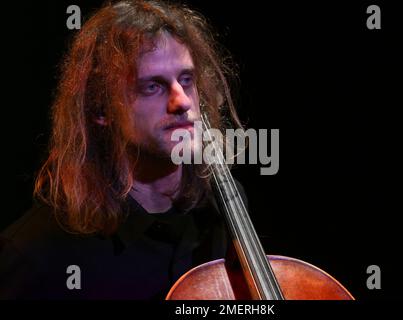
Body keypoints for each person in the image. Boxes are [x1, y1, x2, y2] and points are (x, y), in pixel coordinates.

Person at [0, 0, 246, 299]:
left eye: (187, 80)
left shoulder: (223, 210)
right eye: (153, 86)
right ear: (101, 109)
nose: (181, 101)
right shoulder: (38, 255)